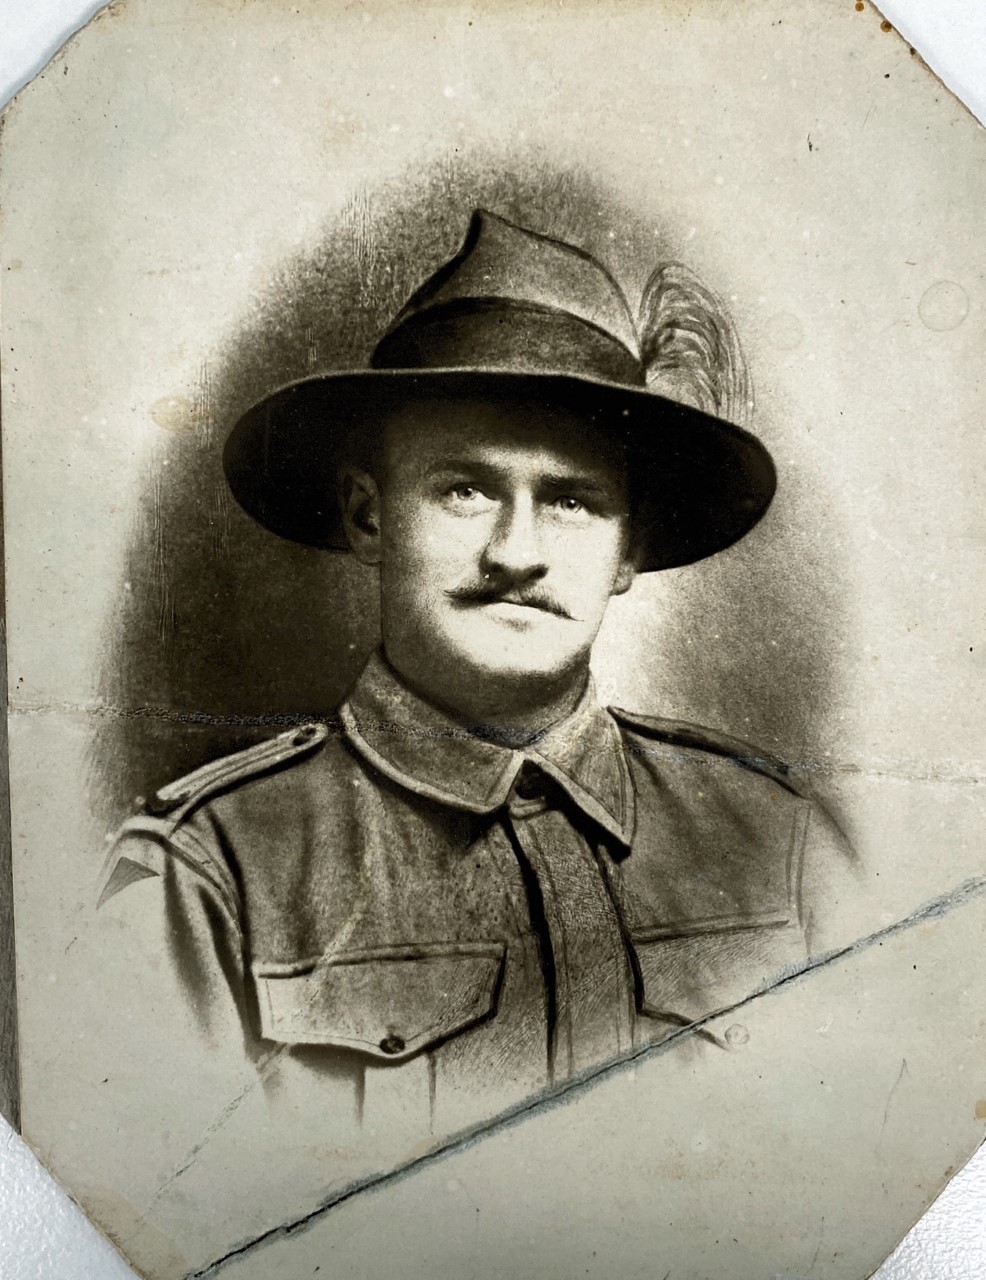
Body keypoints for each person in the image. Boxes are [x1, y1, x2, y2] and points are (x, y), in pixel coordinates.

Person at [97, 208, 858, 1151]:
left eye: (574, 502)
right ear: (371, 518)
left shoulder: (779, 841)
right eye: (464, 490)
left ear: (629, 552)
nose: (516, 554)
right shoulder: (212, 872)